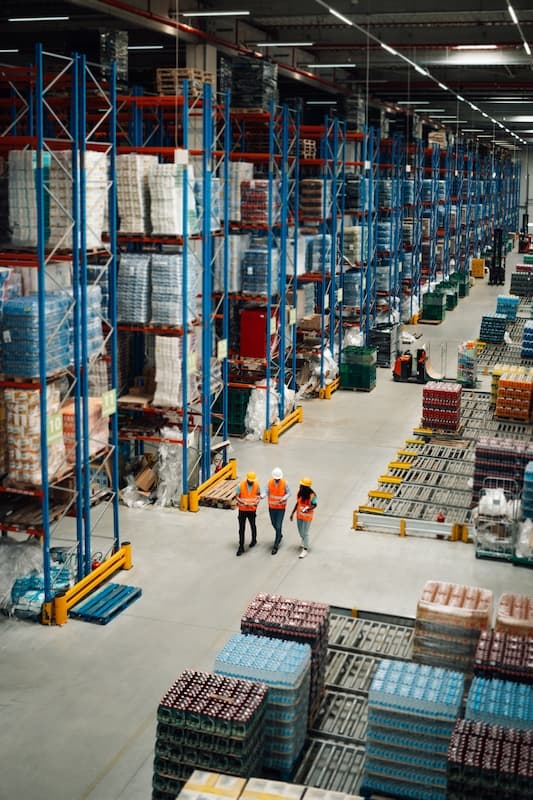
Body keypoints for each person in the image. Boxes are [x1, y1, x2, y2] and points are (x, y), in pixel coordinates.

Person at [235, 471, 263, 556]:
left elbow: (258, 496)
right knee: (241, 529)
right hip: (243, 509)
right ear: (247, 479)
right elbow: (236, 496)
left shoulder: (257, 485)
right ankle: (241, 546)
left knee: (253, 525)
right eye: (250, 480)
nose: (251, 482)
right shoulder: (241, 485)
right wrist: (242, 502)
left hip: (251, 509)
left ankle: (254, 540)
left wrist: (257, 502)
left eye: (252, 480)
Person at [290, 477, 317, 559]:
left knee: (305, 533)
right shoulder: (300, 493)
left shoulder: (312, 495)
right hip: (299, 516)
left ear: (306, 487)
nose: (300, 486)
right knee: (300, 532)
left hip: (307, 517)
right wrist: (292, 512)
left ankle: (305, 549)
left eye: (301, 485)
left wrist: (308, 508)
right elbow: (297, 503)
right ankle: (304, 540)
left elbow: (315, 504)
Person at [267, 467, 290, 555]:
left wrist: (283, 498)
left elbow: (289, 493)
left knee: (278, 525)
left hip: (281, 508)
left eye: (278, 479)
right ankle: (279, 534)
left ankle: (276, 545)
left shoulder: (285, 483)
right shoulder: (269, 482)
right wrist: (262, 495)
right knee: (273, 523)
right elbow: (266, 491)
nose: (277, 480)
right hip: (272, 507)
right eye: (275, 479)